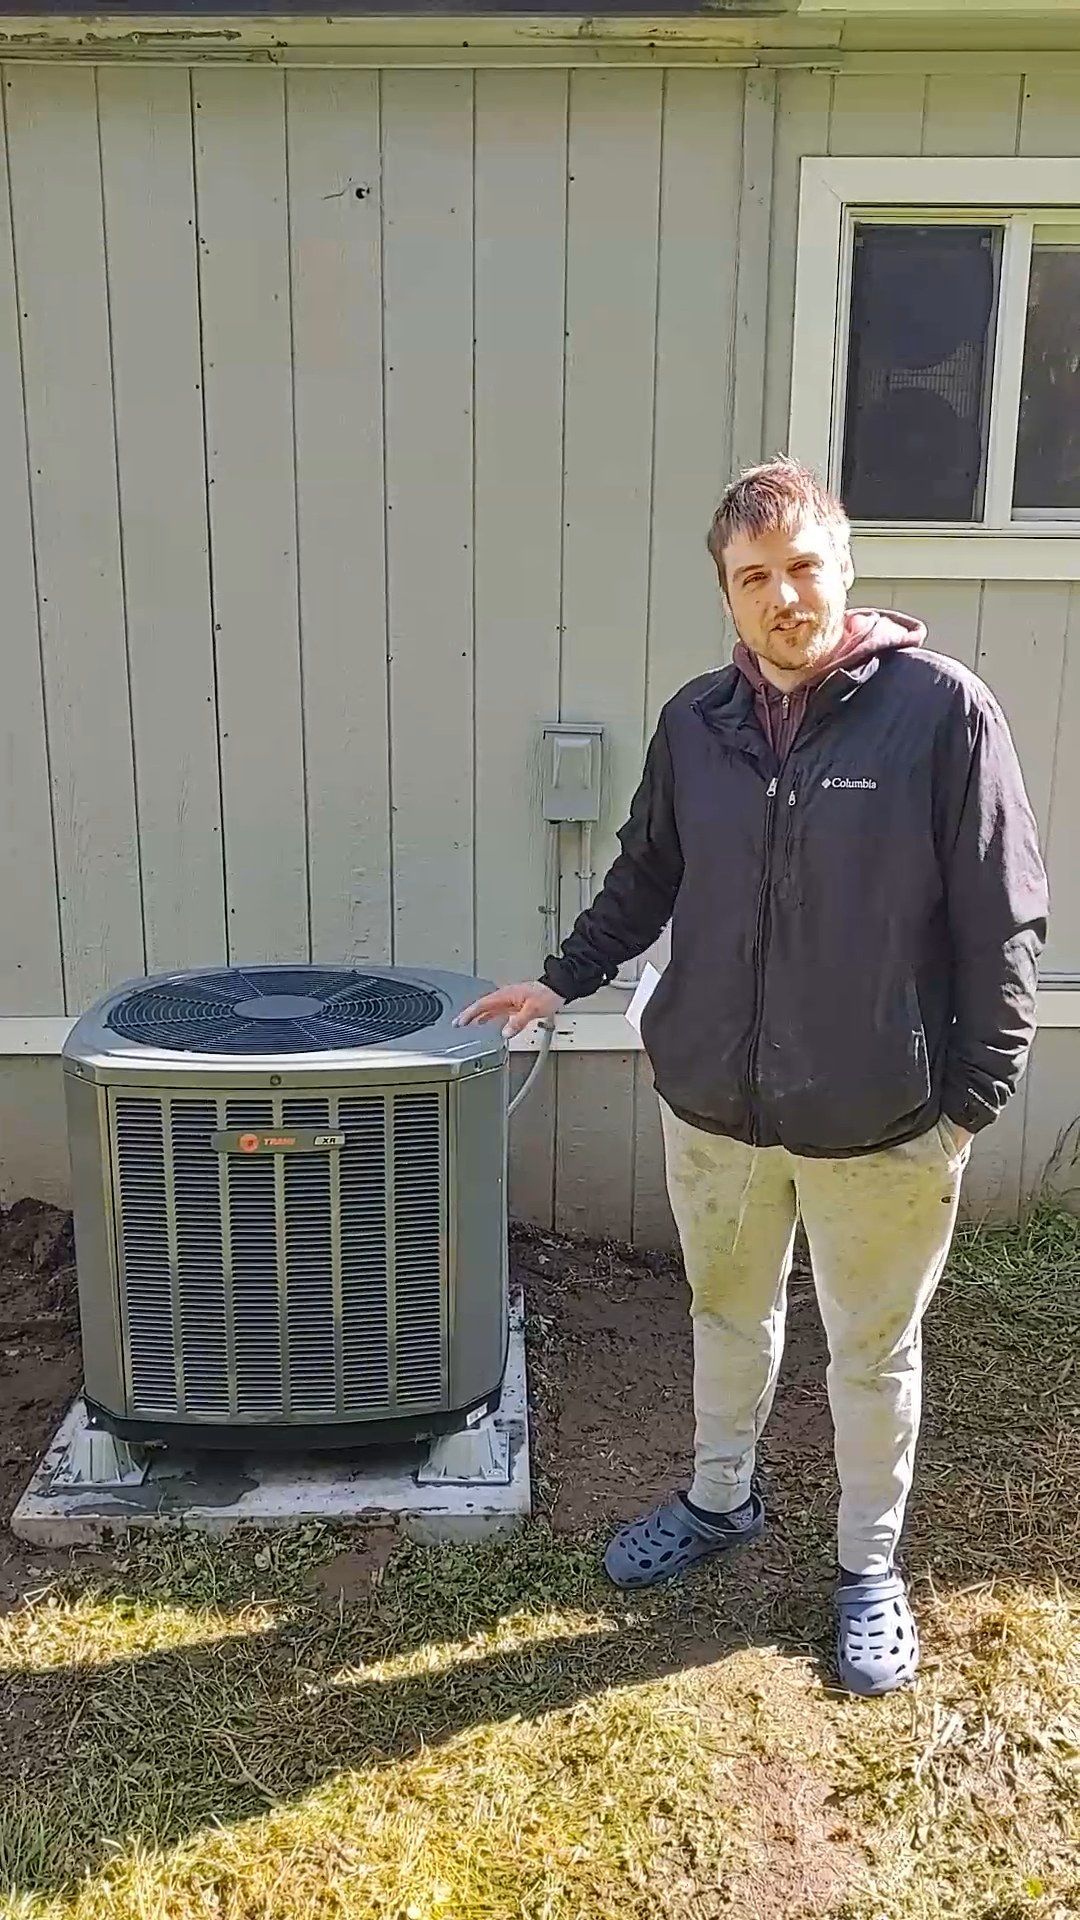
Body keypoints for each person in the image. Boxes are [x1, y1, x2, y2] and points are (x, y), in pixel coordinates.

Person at [457, 457, 1048, 1696]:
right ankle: (720, 1501)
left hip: (880, 1119)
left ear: (845, 569)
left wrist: (970, 1104)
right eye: (755, 577)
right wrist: (562, 979)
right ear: (726, 596)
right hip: (717, 1108)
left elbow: (1005, 922)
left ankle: (868, 1570)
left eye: (803, 568)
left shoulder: (942, 714)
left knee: (872, 1353)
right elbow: (647, 873)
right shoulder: (696, 725)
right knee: (729, 1316)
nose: (785, 597)